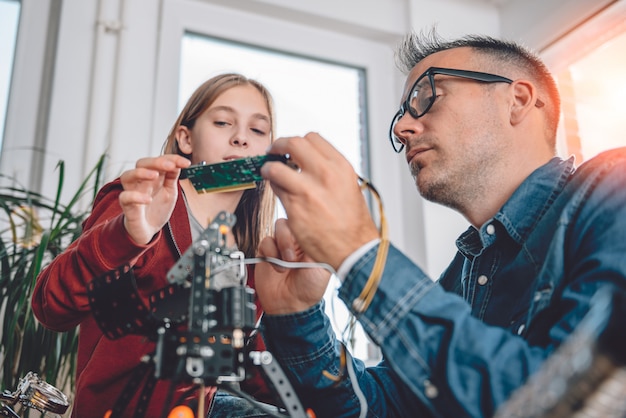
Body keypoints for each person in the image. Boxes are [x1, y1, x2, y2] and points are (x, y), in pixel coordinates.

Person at [253, 29, 626, 417]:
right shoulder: (459, 278)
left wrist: (359, 254)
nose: (402, 129)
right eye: (401, 114)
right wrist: (298, 316)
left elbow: (572, 404)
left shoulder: (614, 190)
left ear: (517, 100)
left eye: (427, 97)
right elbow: (380, 408)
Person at [31, 73, 280, 417]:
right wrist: (127, 238)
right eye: (223, 122)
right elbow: (50, 307)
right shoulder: (142, 203)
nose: (240, 138)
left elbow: (262, 373)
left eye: (257, 130)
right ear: (186, 139)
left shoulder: (253, 256)